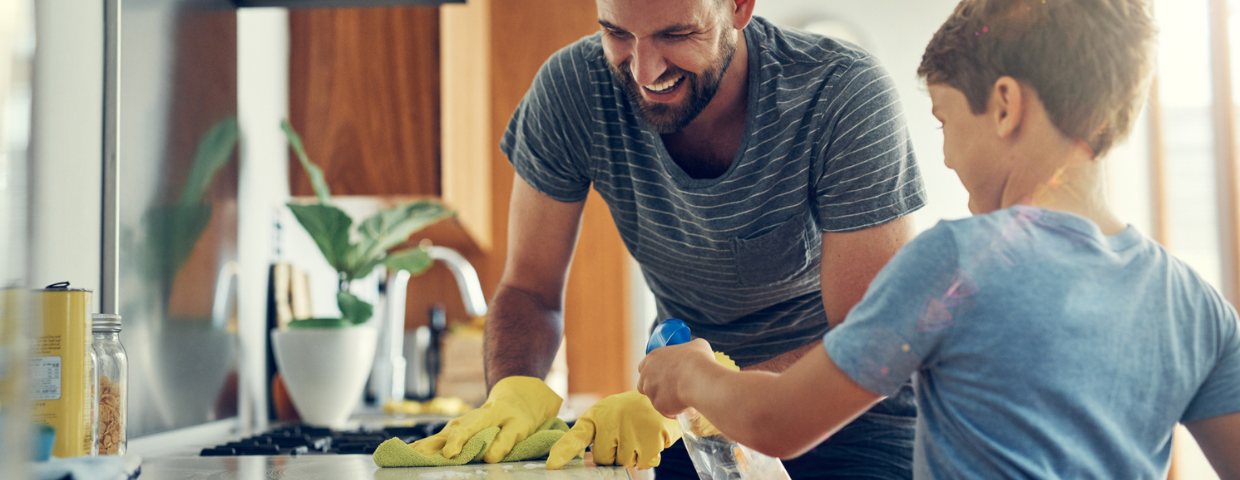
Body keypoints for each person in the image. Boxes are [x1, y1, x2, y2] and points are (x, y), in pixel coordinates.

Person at [636, 0, 1240, 478]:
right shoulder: (1195, 303)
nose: (946, 158)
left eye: (945, 122)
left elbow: (779, 422)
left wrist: (693, 372)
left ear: (1004, 106)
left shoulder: (955, 266)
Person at [409, 0, 927, 477]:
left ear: (739, 6)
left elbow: (869, 339)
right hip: (686, 430)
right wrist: (513, 389)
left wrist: (702, 389)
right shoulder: (572, 90)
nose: (643, 70)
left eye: (677, 34)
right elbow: (529, 289)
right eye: (617, 32)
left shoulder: (841, 95)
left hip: (853, 426)